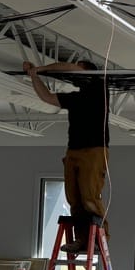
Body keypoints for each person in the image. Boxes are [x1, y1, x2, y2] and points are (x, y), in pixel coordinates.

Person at [24, 59, 110, 253]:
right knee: (74, 198)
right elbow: (47, 97)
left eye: (80, 68)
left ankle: (99, 238)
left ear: (89, 72)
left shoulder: (99, 88)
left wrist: (40, 69)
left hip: (94, 150)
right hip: (74, 150)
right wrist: (34, 76)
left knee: (89, 196)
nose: (74, 74)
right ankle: (82, 239)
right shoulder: (74, 99)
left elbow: (71, 68)